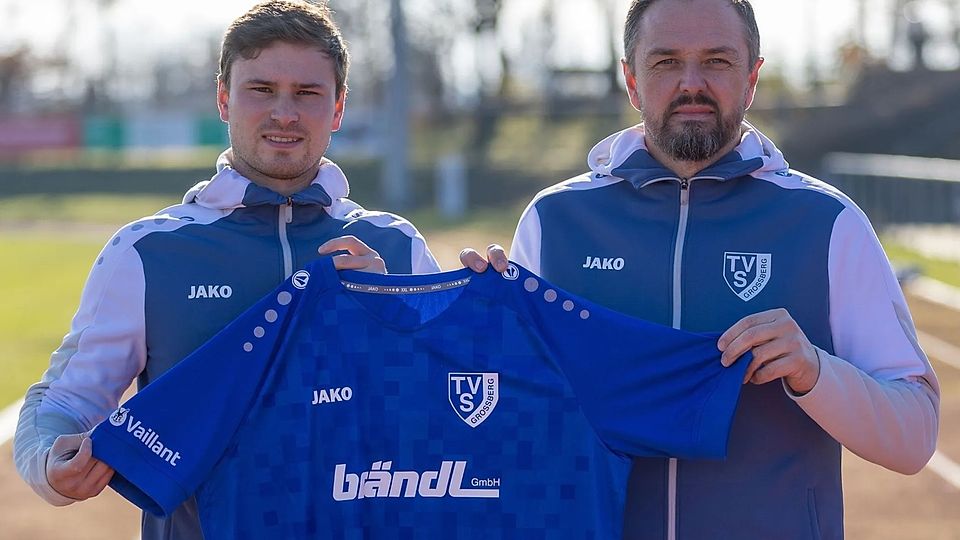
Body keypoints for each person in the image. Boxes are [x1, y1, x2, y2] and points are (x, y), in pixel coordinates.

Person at [463, 1, 940, 538]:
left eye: (717, 61)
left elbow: (914, 438)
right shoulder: (555, 222)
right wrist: (473, 332)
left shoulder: (827, 222)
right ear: (632, 78)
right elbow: (504, 422)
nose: (692, 84)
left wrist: (815, 373)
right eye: (666, 61)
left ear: (753, 76)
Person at [14, 2, 439, 539]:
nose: (284, 113)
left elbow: (448, 410)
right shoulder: (149, 251)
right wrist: (50, 464)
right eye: (261, 89)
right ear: (223, 98)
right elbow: (65, 400)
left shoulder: (396, 248)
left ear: (337, 110)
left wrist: (395, 319)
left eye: (307, 94)